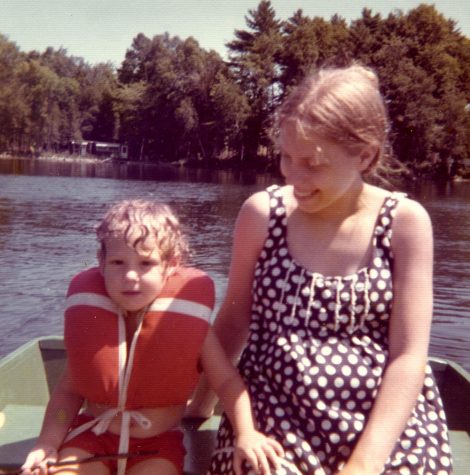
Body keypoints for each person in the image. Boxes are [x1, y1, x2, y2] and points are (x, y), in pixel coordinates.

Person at [187, 64, 453, 474]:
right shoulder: (264, 214)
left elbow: (408, 355)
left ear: (365, 155)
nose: (294, 176)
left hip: (381, 420)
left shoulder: (405, 222)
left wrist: (364, 463)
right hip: (275, 411)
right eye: (286, 158)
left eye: (313, 163)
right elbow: (235, 318)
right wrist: (199, 405)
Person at [21, 199, 283, 475]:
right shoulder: (91, 322)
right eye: (118, 262)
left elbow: (228, 383)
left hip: (157, 445)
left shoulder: (192, 326)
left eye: (145, 263)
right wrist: (47, 443)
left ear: (171, 264)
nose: (130, 276)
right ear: (101, 262)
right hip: (92, 437)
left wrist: (247, 433)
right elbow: (66, 397)